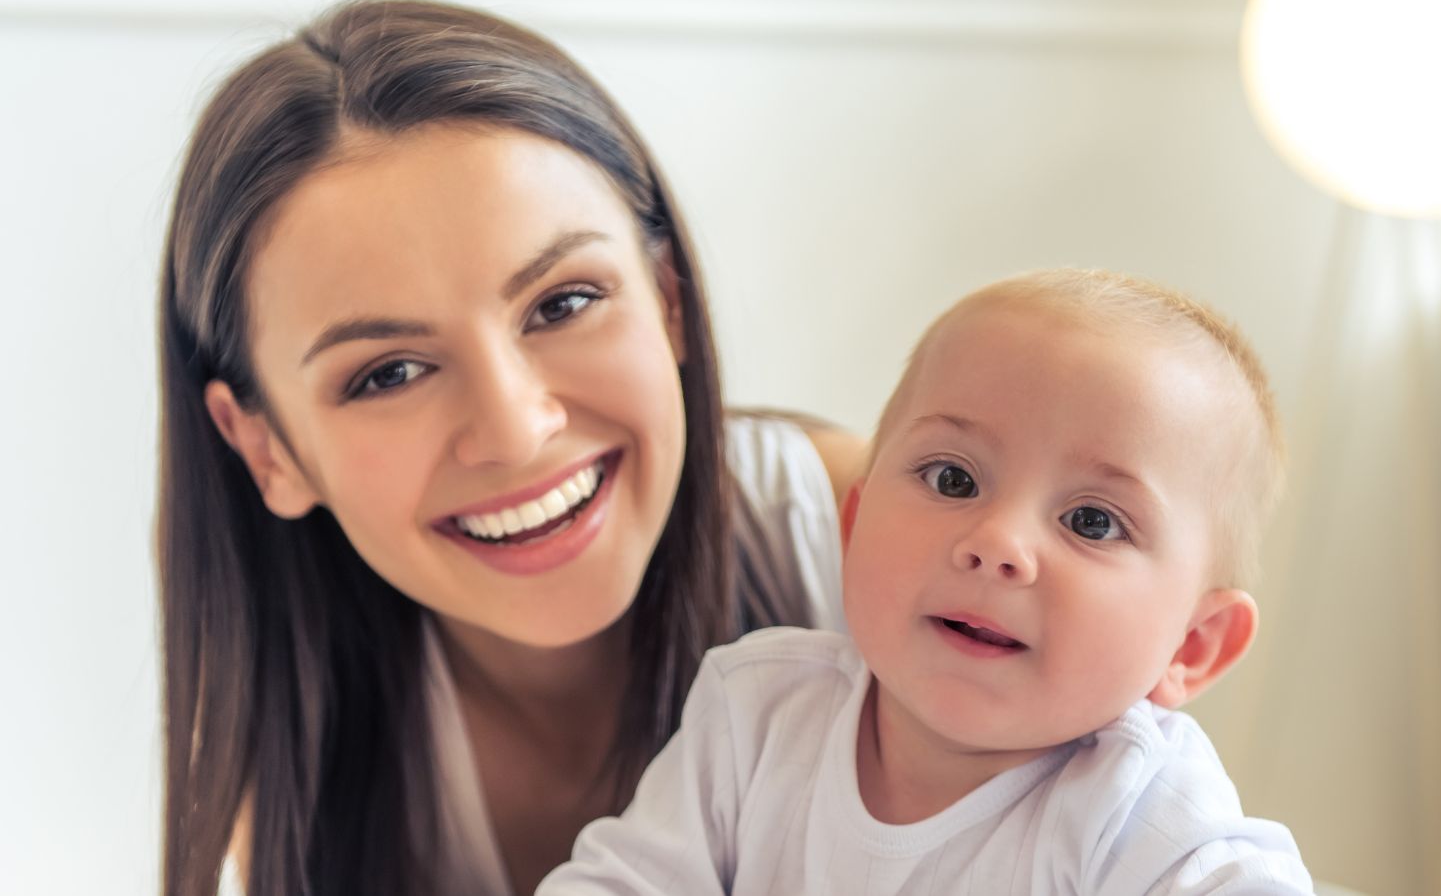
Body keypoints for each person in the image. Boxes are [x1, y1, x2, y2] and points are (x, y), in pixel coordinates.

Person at [155, 0, 863, 894]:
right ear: (266, 450)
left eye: (563, 303)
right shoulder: (295, 738)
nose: (516, 430)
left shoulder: (865, 535)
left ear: (667, 299)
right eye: (389, 373)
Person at [538, 269, 1317, 894]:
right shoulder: (757, 712)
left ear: (1193, 645)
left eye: (1091, 522)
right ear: (853, 527)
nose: (998, 544)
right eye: (952, 478)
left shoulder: (1138, 810)